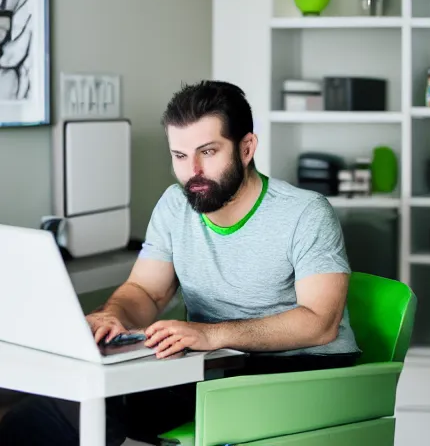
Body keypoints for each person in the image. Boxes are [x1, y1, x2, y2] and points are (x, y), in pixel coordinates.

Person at [0, 80, 360, 445]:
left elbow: (320, 323)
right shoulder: (175, 205)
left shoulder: (306, 212)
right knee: (48, 414)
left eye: (208, 151)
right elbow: (145, 291)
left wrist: (210, 334)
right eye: (180, 156)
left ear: (247, 147)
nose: (193, 171)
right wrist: (113, 316)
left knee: (95, 409)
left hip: (301, 372)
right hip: (212, 364)